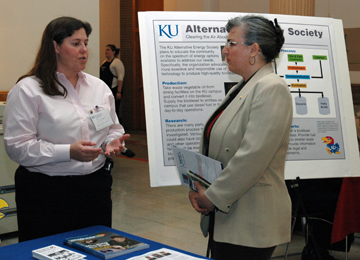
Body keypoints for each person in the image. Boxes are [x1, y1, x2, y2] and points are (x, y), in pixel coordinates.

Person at [3, 16, 129, 242]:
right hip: (45, 192)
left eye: (86, 43)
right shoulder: (28, 90)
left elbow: (113, 128)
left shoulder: (98, 88)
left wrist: (112, 142)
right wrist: (68, 151)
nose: (84, 50)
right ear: (55, 47)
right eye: (75, 43)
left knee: (96, 250)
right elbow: (17, 147)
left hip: (94, 188)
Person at [188, 15, 293, 260]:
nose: (224, 50)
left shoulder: (271, 88)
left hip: (251, 220)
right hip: (229, 215)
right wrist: (199, 185)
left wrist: (212, 197)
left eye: (231, 43)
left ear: (254, 49)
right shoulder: (242, 87)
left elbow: (252, 156)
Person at [100, 44, 135, 158]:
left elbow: (120, 77)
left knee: (112, 114)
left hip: (114, 91)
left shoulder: (117, 63)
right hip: (105, 92)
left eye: (108, 50)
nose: (106, 52)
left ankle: (115, 139)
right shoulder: (104, 62)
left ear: (114, 52)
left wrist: (118, 92)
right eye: (105, 50)